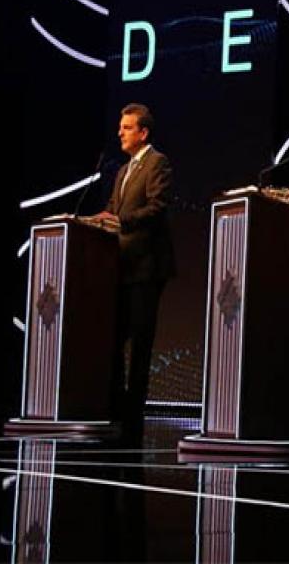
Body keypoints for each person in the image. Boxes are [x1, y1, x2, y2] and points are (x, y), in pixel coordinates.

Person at [96, 103, 176, 438]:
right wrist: (99, 220)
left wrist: (120, 220)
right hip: (121, 266)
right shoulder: (122, 170)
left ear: (143, 132)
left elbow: (157, 207)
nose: (120, 132)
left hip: (146, 266)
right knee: (113, 338)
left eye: (127, 127)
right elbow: (114, 209)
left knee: (141, 341)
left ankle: (134, 412)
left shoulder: (158, 162)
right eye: (120, 126)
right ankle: (114, 405)